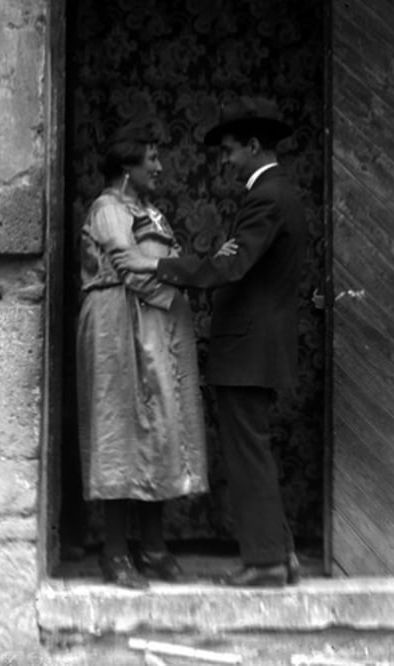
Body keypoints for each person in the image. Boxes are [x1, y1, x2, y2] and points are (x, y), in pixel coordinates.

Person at [111, 96, 307, 587]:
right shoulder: (282, 193)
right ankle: (279, 554)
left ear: (254, 146)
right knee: (253, 449)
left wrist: (154, 265)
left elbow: (228, 266)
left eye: (230, 151)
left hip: (248, 348)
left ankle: (264, 562)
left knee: (248, 454)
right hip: (257, 347)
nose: (225, 161)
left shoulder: (267, 197)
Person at [77, 117, 231, 589]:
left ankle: (153, 546)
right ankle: (116, 552)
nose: (161, 167)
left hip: (153, 328)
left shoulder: (150, 211)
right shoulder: (107, 209)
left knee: (159, 430)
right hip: (116, 327)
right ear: (127, 167)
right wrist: (182, 280)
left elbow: (159, 264)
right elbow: (131, 269)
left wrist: (177, 275)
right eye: (152, 159)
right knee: (120, 431)